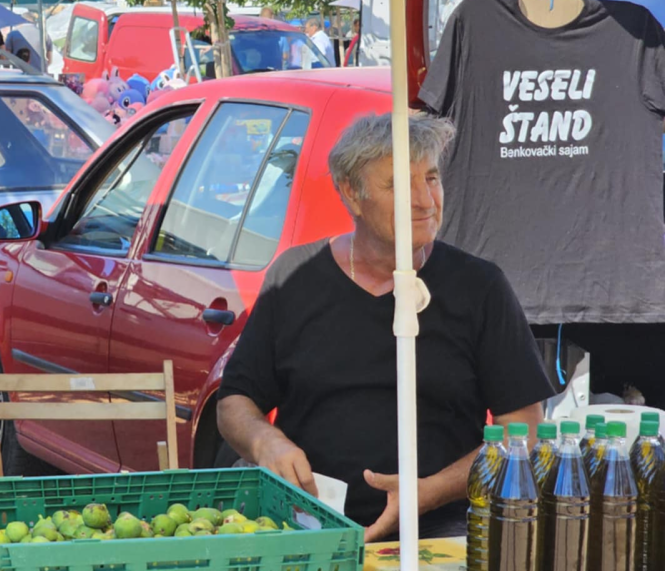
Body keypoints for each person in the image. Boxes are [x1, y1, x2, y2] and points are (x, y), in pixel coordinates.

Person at [216, 112, 553, 542]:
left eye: (431, 178)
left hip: (444, 530)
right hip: (311, 523)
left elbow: (523, 429)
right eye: (398, 185)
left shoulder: (479, 287)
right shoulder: (294, 277)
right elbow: (235, 403)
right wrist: (265, 442)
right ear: (352, 195)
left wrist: (427, 493)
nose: (425, 200)